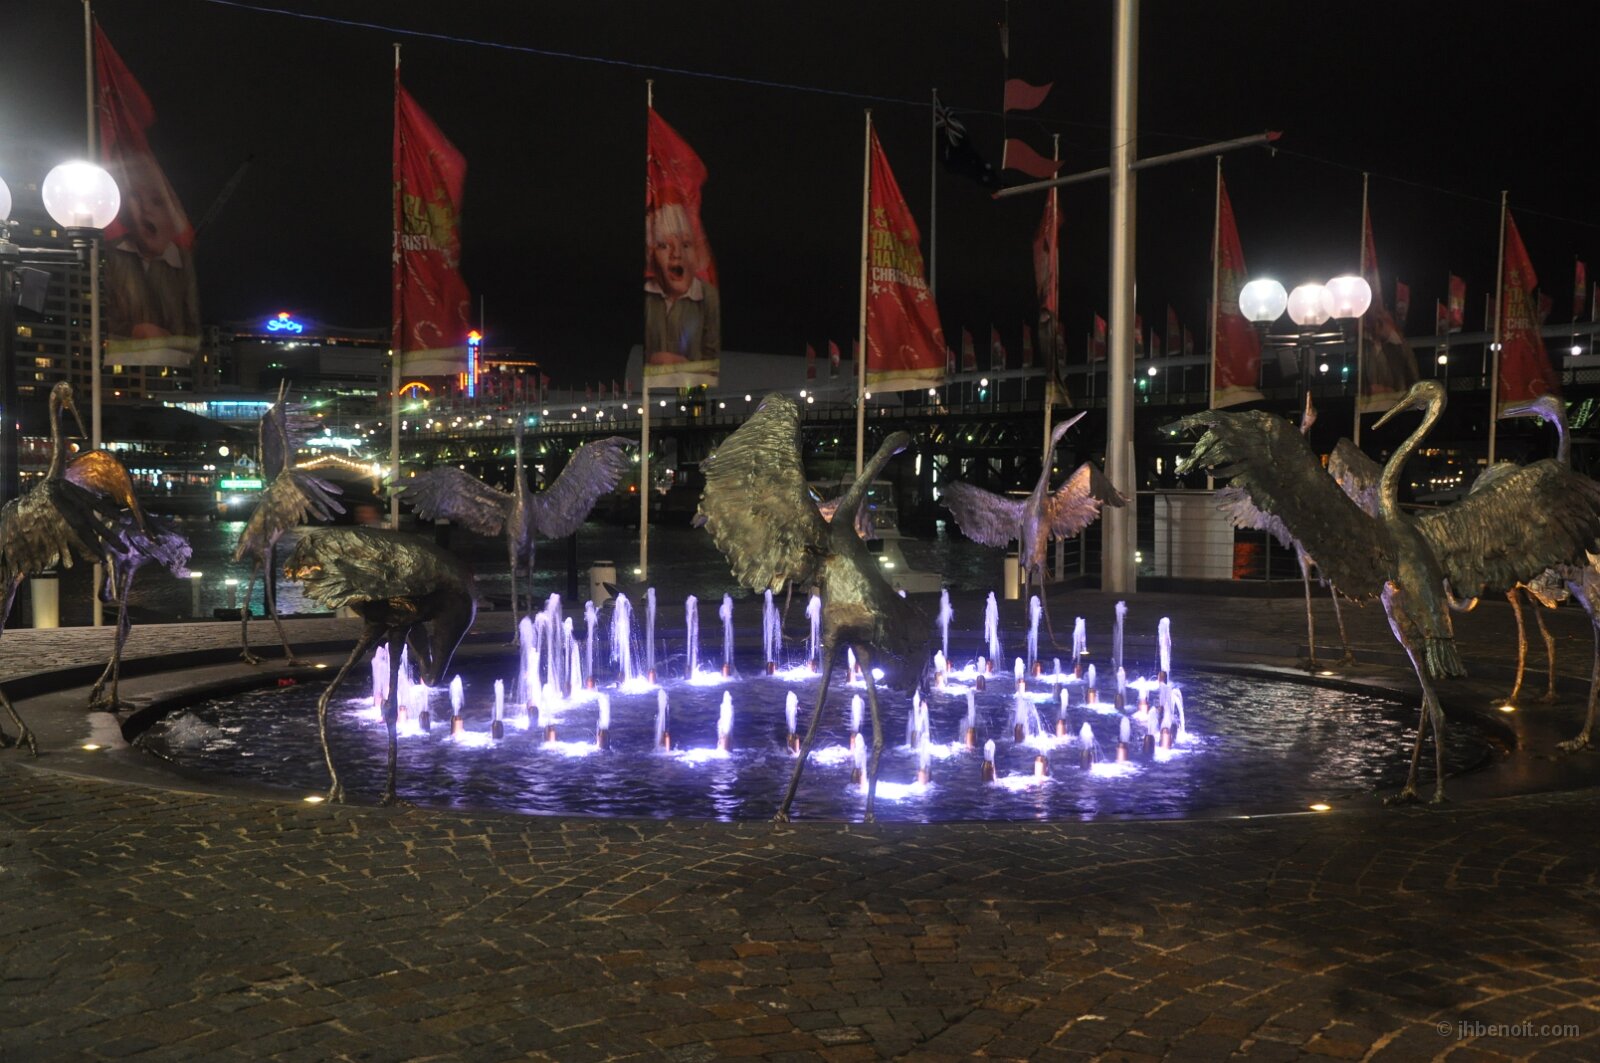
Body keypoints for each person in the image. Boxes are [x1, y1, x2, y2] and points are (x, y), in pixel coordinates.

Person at [102, 151, 200, 365]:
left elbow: (192, 323)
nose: (145, 209)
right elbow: (97, 315)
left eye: (157, 201)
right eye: (135, 197)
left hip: (168, 366)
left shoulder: (183, 263)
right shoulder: (109, 256)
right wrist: (134, 330)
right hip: (120, 365)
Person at [643, 203, 719, 366]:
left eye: (685, 245)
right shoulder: (647, 296)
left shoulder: (709, 297)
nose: (676, 254)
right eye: (663, 245)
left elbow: (715, 357)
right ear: (651, 254)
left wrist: (686, 367)